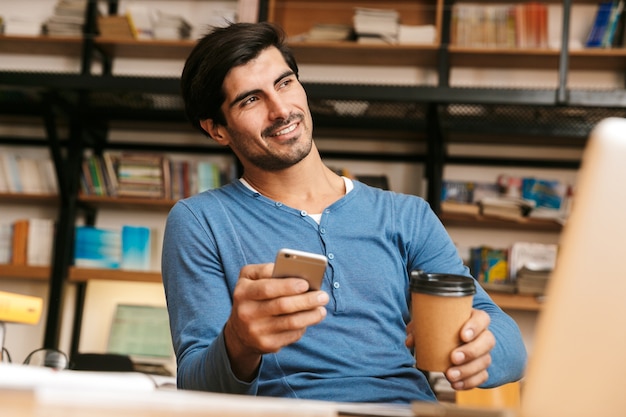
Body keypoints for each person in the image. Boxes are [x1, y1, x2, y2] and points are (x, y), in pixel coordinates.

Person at [162, 21, 527, 404]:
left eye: (285, 83)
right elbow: (196, 388)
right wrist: (239, 341)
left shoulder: (406, 215)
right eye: (250, 100)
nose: (281, 110)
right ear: (217, 129)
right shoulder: (199, 221)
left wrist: (482, 350)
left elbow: (509, 341)